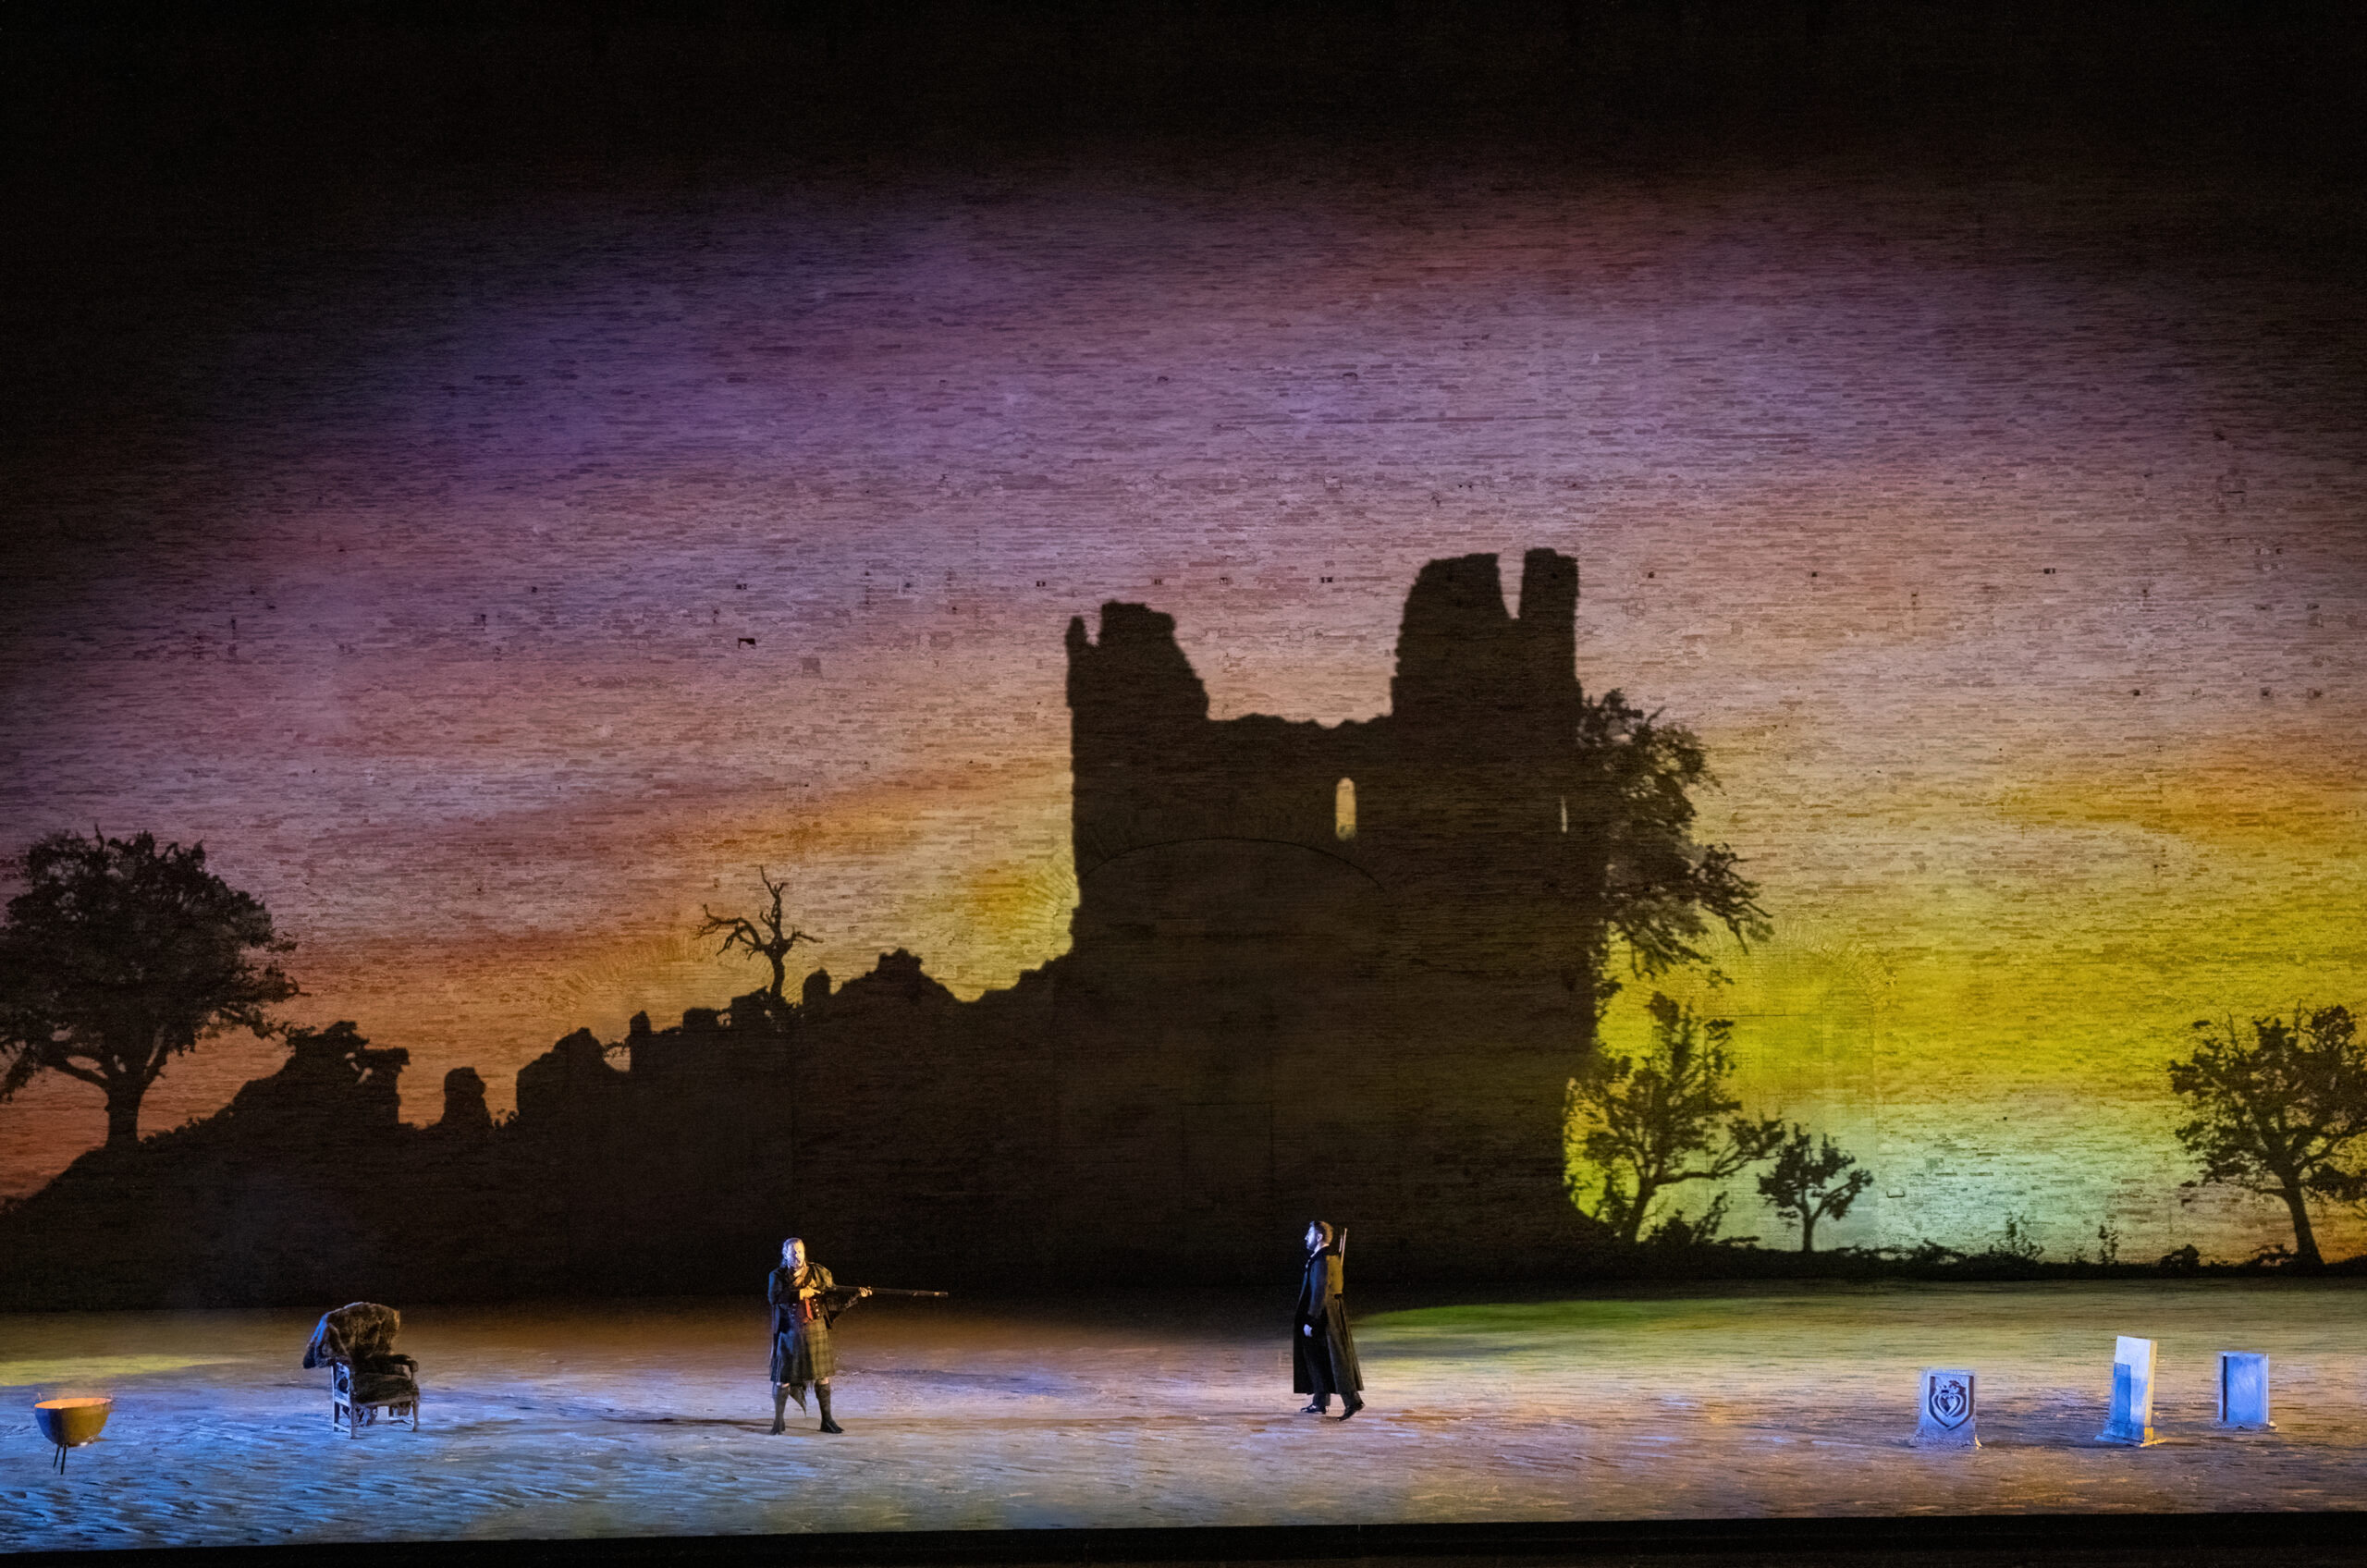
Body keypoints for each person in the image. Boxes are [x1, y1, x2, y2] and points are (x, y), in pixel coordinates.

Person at [767, 1236, 870, 1434]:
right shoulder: (777, 1275)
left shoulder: (818, 1272)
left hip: (815, 1327)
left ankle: (827, 1421)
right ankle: (778, 1422)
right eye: (793, 1252)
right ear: (785, 1254)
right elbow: (774, 1297)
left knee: (822, 1376)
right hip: (789, 1331)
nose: (797, 1256)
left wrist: (857, 1294)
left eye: (800, 1251)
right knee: (783, 1377)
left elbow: (832, 1295)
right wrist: (800, 1293)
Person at [1293, 1219, 1363, 1419]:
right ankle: (1319, 1402)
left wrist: (1311, 1320)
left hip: (1324, 1318)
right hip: (1328, 1316)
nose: (1306, 1237)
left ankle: (1353, 1401)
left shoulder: (1323, 1261)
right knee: (1319, 1359)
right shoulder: (1326, 1259)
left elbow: (1320, 1293)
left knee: (1335, 1360)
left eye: (1309, 1234)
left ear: (1319, 1236)